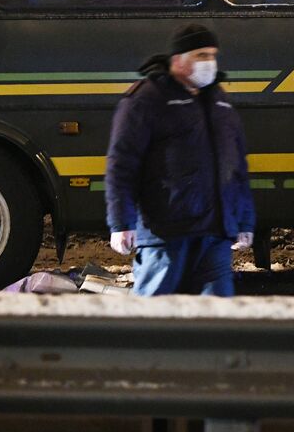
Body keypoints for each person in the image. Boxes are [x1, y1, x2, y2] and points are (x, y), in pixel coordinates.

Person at [106, 23, 256, 296]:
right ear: (178, 60)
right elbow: (122, 164)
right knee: (155, 322)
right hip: (166, 236)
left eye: (212, 55)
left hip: (215, 235)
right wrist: (121, 223)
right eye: (201, 55)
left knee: (216, 321)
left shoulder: (219, 101)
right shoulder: (147, 99)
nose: (209, 63)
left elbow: (237, 168)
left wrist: (244, 221)